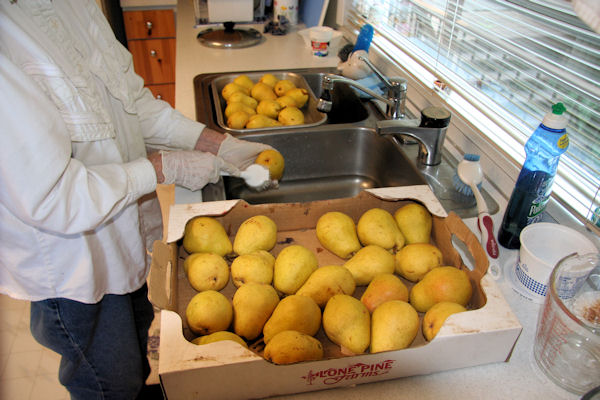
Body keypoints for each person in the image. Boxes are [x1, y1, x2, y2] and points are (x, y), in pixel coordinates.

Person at [0, 1, 271, 399]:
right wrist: (163, 168)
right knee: (107, 383)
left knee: (136, 352)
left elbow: (133, 105)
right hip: (73, 268)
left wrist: (217, 144)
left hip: (126, 238)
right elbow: (52, 196)